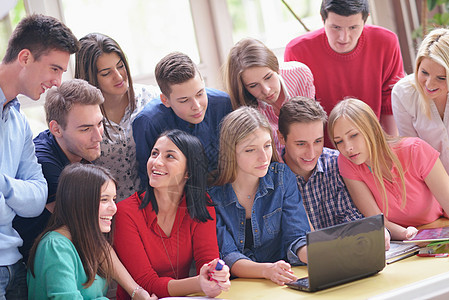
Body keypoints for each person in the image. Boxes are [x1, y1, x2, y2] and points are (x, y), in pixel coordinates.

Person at [0, 14, 78, 299]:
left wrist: (4, 186)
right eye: (54, 69)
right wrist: (14, 196)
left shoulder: (19, 123)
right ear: (24, 57)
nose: (57, 82)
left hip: (14, 266)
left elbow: (36, 200)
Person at [114, 129, 231, 299]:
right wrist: (200, 282)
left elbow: (207, 261)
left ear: (188, 172)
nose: (156, 162)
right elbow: (146, 283)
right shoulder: (126, 212)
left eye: (169, 156)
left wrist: (216, 276)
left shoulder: (200, 203)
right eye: (154, 153)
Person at [208, 106, 310, 286]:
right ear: (231, 152)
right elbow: (228, 256)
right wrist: (266, 270)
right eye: (250, 150)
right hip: (236, 287)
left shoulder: (282, 177)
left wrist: (319, 256)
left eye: (267, 145)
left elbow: (297, 237)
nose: (264, 157)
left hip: (281, 281)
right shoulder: (212, 194)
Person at [284, 0, 404, 147]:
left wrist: (389, 149)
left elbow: (389, 102)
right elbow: (299, 116)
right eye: (336, 27)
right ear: (323, 19)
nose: (344, 37)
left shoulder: (386, 42)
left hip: (374, 144)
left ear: (365, 20)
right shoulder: (297, 51)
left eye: (353, 27)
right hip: (323, 151)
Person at [27, 163, 156, 299]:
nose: (114, 208)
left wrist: (137, 292)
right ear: (80, 202)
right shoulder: (55, 247)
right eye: (104, 199)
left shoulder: (88, 240)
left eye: (113, 199)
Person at [328, 98, 449, 241]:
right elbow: (378, 221)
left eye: (353, 135)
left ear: (372, 129)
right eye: (339, 141)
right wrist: (407, 234)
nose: (347, 148)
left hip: (440, 228)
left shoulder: (415, 150)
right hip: (403, 240)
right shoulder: (347, 162)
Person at [13, 79, 104, 263]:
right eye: (85, 128)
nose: (98, 137)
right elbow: (88, 225)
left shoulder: (82, 147)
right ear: (56, 129)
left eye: (99, 124)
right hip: (28, 266)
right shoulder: (42, 162)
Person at [75, 33, 160, 201]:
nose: (119, 76)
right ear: (90, 78)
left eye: (120, 66)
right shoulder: (81, 116)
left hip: (156, 205)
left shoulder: (151, 98)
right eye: (106, 73)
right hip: (110, 213)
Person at [133, 52, 232, 188]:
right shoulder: (148, 123)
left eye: (200, 93)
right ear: (165, 100)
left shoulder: (224, 103)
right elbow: (149, 180)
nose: (197, 106)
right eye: (184, 100)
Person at [278, 96, 362, 230]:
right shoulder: (274, 178)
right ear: (281, 138)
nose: (311, 154)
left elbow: (352, 217)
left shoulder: (337, 163)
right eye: (301, 144)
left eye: (317, 141)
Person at [224, 38, 315, 156]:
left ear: (276, 67)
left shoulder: (300, 74)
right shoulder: (246, 107)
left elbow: (312, 128)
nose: (266, 90)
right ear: (244, 88)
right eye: (253, 85)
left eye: (268, 77)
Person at [392, 28, 449, 173]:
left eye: (441, 78)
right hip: (431, 183)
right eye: (424, 72)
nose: (429, 84)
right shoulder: (403, 94)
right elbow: (412, 155)